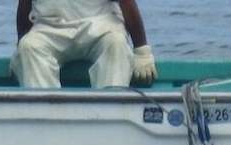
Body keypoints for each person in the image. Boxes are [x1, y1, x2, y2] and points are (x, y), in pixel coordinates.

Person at [9, 0, 157, 88]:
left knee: (116, 43)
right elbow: (25, 5)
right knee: (29, 47)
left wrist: (141, 51)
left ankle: (110, 111)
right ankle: (45, 117)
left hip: (100, 25)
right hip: (50, 27)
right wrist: (20, 50)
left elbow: (126, 2)